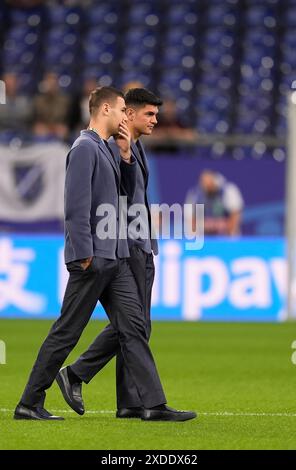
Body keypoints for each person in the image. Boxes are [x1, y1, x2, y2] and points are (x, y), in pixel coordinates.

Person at [14, 86, 168, 421]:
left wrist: (126, 155)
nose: (125, 116)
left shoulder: (105, 148)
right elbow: (76, 206)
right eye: (122, 109)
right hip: (93, 258)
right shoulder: (85, 148)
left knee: (135, 326)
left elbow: (121, 197)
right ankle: (29, 402)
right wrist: (83, 252)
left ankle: (153, 405)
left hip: (113, 256)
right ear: (106, 110)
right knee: (67, 331)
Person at [56, 88, 197, 422]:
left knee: (134, 325)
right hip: (124, 245)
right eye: (149, 114)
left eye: (156, 114)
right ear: (128, 114)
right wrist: (124, 156)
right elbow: (112, 199)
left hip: (140, 244)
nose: (155, 120)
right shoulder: (107, 149)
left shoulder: (135, 147)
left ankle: (127, 401)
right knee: (135, 324)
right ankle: (81, 375)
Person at [185, 169, 244, 236]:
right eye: (204, 182)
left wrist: (223, 227)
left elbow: (235, 215)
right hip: (203, 236)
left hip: (225, 235)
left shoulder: (228, 191)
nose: (207, 185)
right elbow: (190, 219)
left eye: (209, 182)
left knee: (234, 232)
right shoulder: (195, 194)